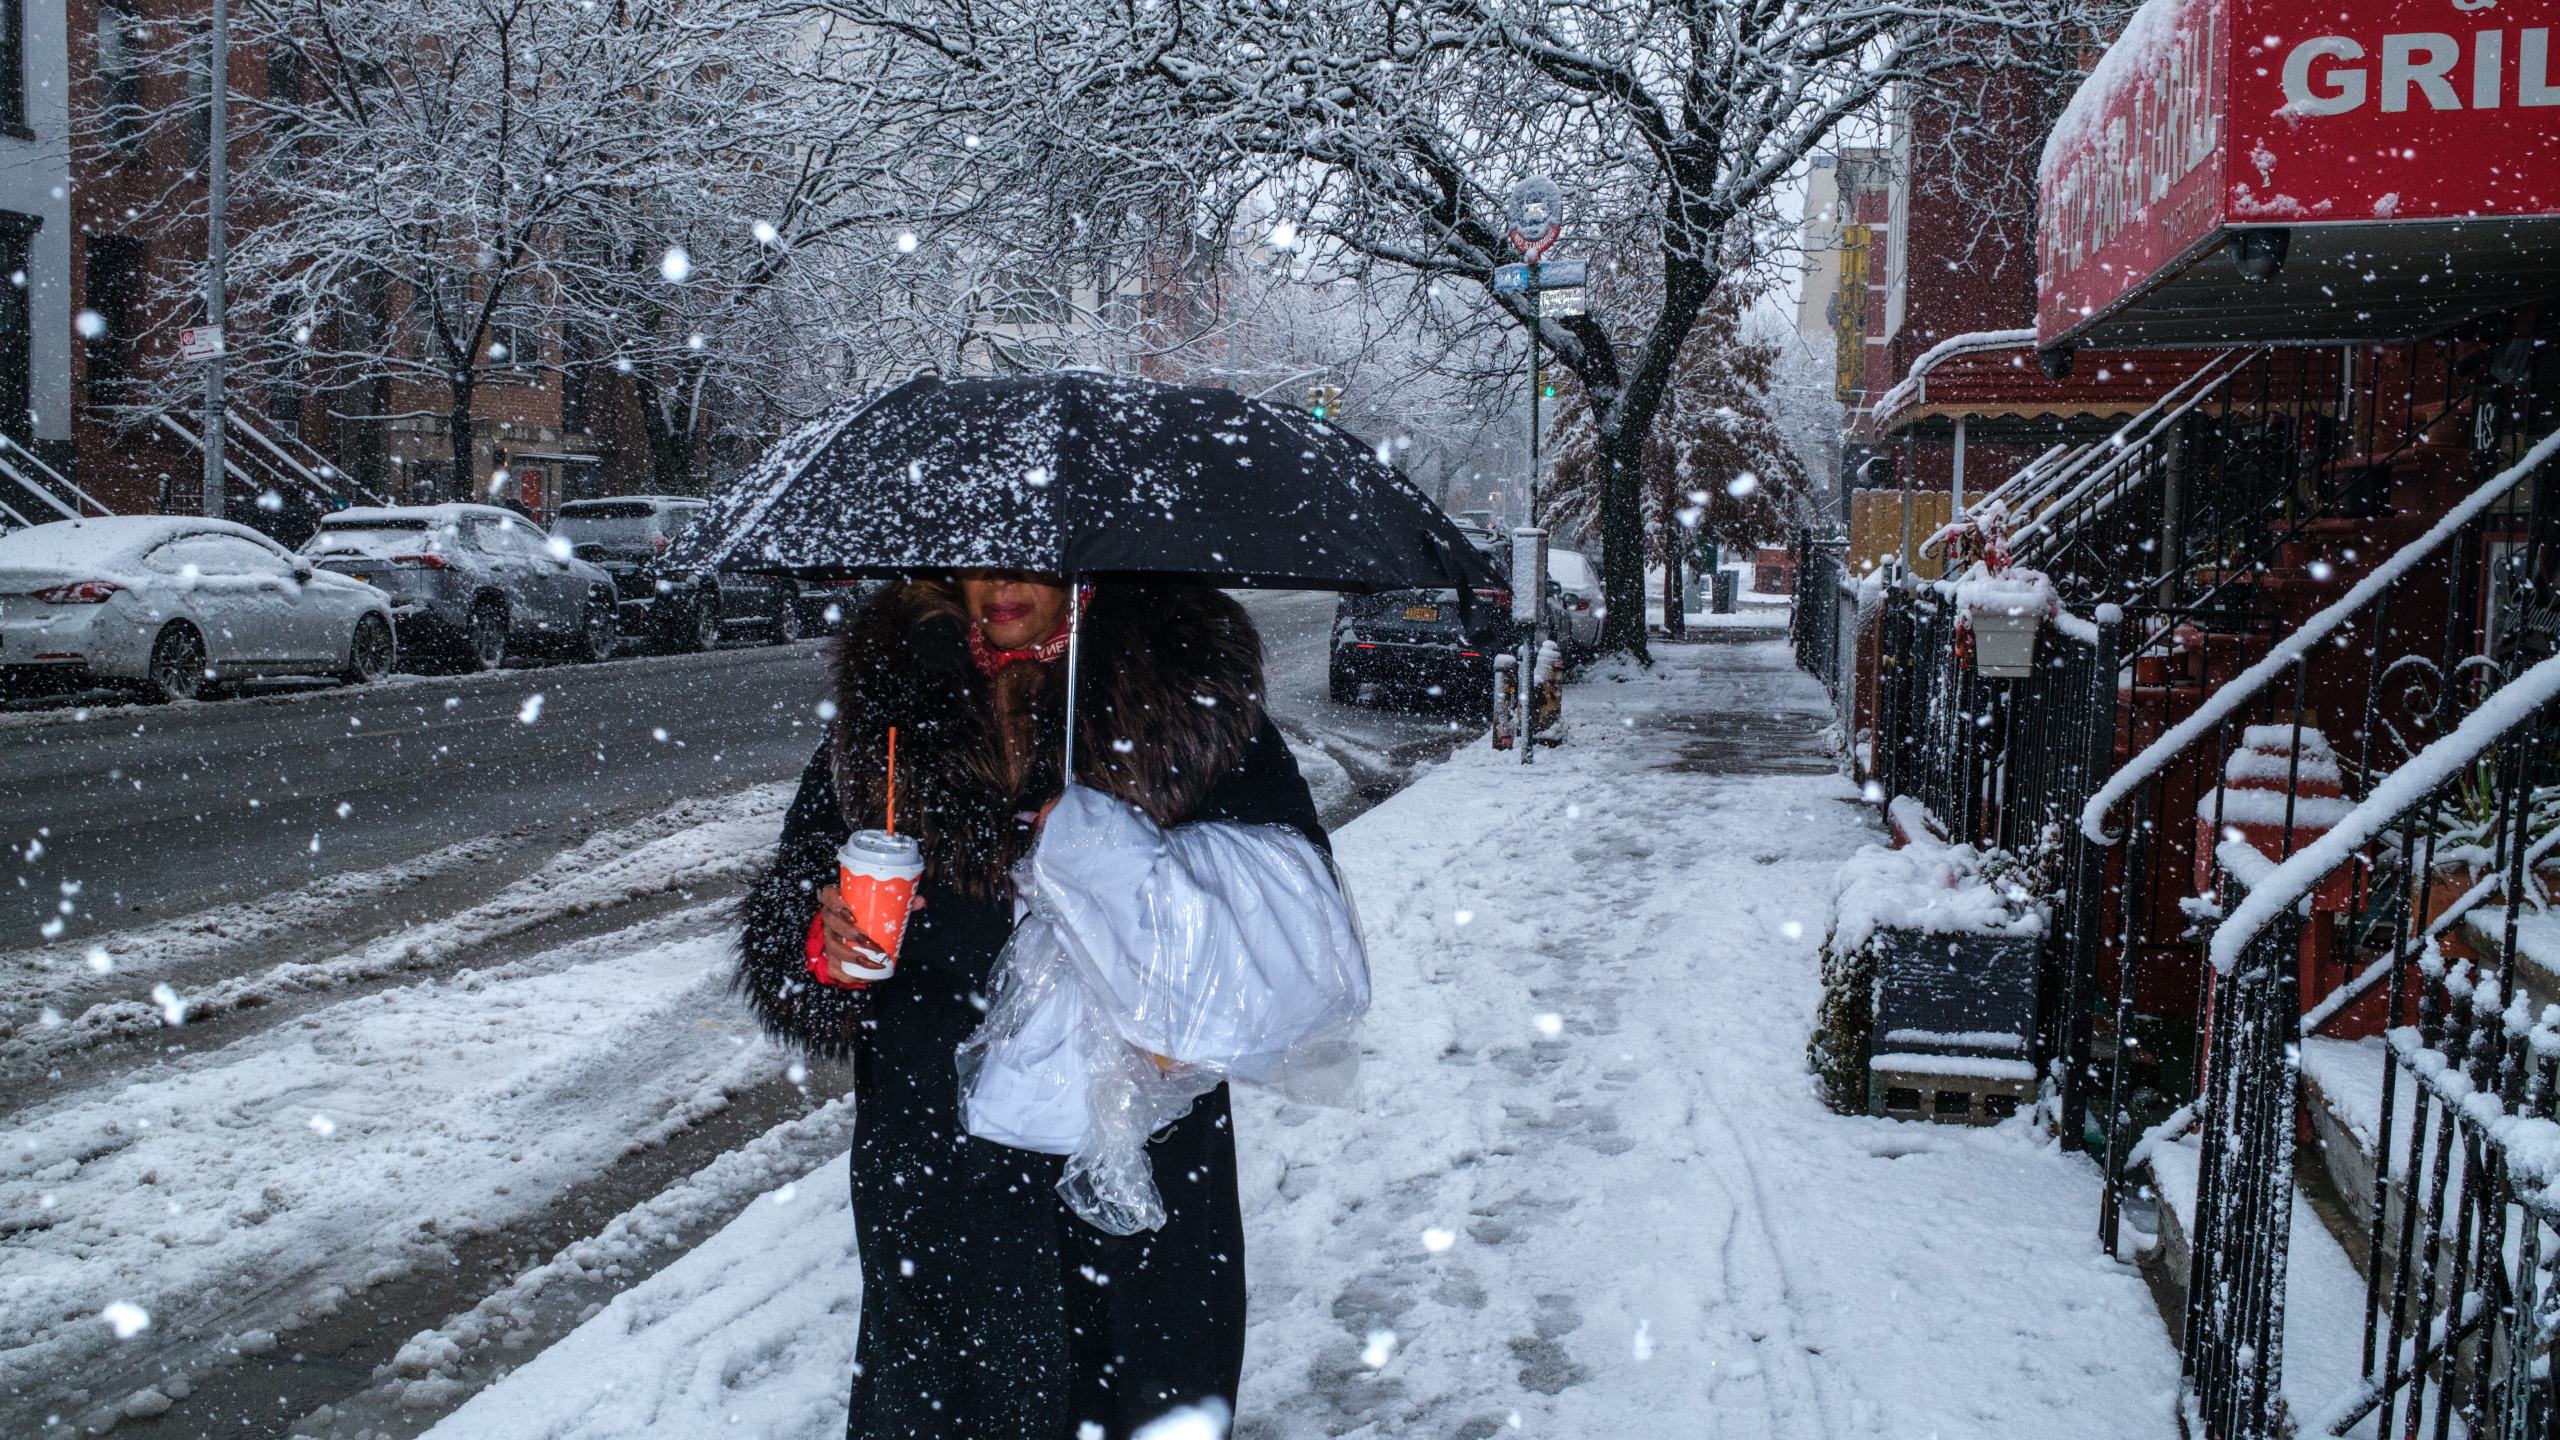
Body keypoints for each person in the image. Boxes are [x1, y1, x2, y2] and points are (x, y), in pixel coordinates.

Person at [735, 570, 1326, 1438]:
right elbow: (794, 896)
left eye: (1031, 561)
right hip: (939, 1144)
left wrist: (1118, 861)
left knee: (1138, 1388)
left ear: (1087, 569)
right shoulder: (894, 706)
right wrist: (823, 945)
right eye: (979, 558)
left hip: (1134, 1138)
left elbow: (1288, 907)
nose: (1001, 584)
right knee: (947, 1393)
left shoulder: (1184, 701)